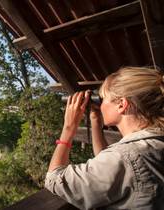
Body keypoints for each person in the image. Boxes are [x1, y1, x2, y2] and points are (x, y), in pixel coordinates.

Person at [44, 67, 164, 209]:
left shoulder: (126, 157)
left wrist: (69, 127)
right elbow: (107, 164)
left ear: (121, 104)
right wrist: (95, 121)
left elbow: (54, 179)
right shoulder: (155, 142)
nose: (100, 105)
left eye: (103, 98)